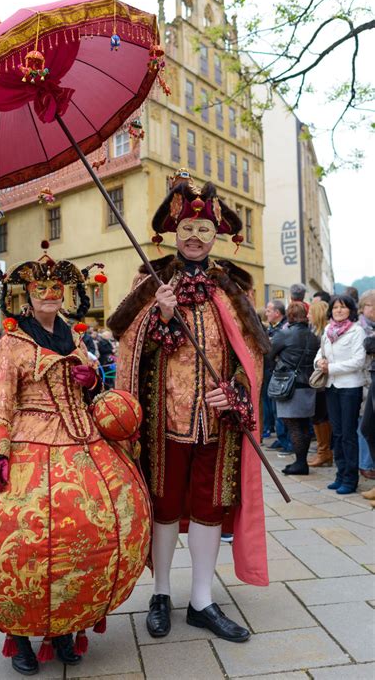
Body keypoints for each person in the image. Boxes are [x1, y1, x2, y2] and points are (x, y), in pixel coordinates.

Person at [0, 245, 151, 677]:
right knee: (18, 542)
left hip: (81, 436)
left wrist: (91, 380)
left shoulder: (75, 335)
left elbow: (87, 386)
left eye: (56, 288)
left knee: (82, 538)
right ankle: (19, 638)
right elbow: (0, 402)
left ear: (65, 294)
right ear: (26, 295)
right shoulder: (13, 341)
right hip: (27, 439)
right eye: (40, 288)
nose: (49, 295)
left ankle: (65, 629)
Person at [108, 174, 270, 643]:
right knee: (163, 504)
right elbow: (126, 341)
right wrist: (157, 314)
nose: (195, 238)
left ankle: (202, 599)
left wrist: (236, 389)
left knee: (208, 508)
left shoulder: (233, 284)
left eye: (204, 230)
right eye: (187, 230)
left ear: (216, 235)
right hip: (163, 421)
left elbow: (255, 351)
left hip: (217, 422)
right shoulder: (150, 279)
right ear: (173, 232)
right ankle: (161, 593)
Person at [314, 295, 366, 494]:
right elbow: (321, 354)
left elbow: (358, 361)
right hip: (331, 386)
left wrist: (331, 368)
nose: (338, 311)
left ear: (350, 310)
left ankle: (350, 479)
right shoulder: (328, 331)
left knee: (348, 434)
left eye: (343, 307)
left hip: (350, 387)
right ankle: (340, 474)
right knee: (336, 433)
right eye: (335, 307)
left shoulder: (356, 331)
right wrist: (319, 363)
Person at [269, 303, 319, 475]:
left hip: (289, 385)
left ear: (289, 315)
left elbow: (269, 354)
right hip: (309, 384)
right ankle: (301, 462)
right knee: (304, 425)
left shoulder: (284, 334)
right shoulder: (314, 336)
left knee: (294, 426)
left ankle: (300, 463)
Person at [264, 301, 293, 454]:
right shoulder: (272, 328)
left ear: (277, 313)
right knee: (275, 408)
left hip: (282, 373)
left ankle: (287, 441)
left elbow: (273, 350)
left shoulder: (284, 328)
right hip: (273, 370)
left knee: (280, 408)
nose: (266, 313)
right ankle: (281, 439)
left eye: (269, 310)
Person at [307, 300, 332, 467]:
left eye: (310, 312)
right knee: (320, 416)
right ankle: (324, 452)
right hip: (320, 380)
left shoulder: (324, 333)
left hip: (324, 381)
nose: (308, 315)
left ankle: (324, 452)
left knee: (321, 416)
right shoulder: (317, 331)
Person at [358, 290, 375, 479]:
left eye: (369, 305)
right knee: (366, 428)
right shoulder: (360, 326)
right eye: (365, 305)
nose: (366, 310)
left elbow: (369, 345)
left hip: (369, 380)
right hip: (367, 380)